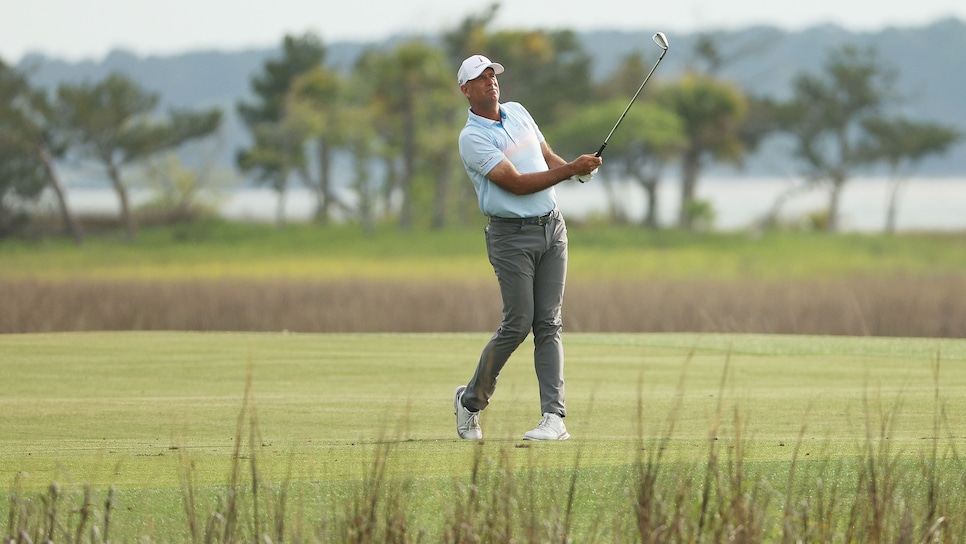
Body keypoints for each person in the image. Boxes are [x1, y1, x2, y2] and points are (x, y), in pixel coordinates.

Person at [453, 54, 602, 441]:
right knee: (518, 323)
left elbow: (545, 156)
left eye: (493, 75)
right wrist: (570, 170)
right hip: (510, 237)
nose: (491, 82)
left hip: (552, 228)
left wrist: (574, 168)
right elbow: (516, 183)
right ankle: (471, 401)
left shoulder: (518, 111)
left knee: (549, 322)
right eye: (480, 78)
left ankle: (554, 417)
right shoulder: (472, 138)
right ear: (465, 90)